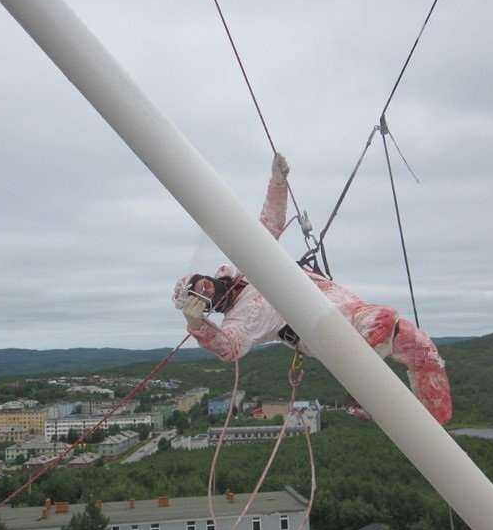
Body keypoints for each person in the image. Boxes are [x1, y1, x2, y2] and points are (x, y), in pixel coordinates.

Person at [172, 154, 452, 424]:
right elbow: (229, 348)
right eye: (199, 295)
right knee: (382, 321)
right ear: (204, 306)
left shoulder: (246, 266)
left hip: (346, 306)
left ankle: (435, 425)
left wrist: (278, 182)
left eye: (200, 282)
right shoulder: (239, 321)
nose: (205, 288)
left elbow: (269, 226)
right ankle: (365, 394)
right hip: (322, 326)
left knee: (422, 349)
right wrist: (198, 325)